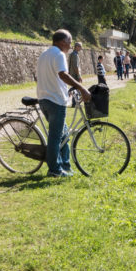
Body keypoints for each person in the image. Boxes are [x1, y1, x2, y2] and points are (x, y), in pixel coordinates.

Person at [36, 29, 92, 177]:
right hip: (55, 101)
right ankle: (54, 170)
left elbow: (50, 77)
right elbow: (63, 75)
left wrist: (64, 89)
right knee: (55, 137)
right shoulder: (59, 54)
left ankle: (65, 166)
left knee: (64, 134)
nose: (70, 44)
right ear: (61, 42)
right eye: (69, 40)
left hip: (44, 99)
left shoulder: (44, 55)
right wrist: (82, 88)